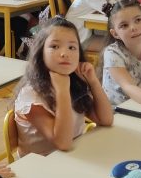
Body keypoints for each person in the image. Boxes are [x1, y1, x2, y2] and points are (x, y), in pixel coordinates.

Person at [14, 17, 113, 156]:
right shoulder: (31, 96)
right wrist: (62, 91)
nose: (65, 54)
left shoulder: (74, 81)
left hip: (74, 156)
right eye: (54, 46)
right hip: (42, 164)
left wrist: (93, 81)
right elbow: (63, 143)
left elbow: (106, 119)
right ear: (40, 53)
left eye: (72, 47)